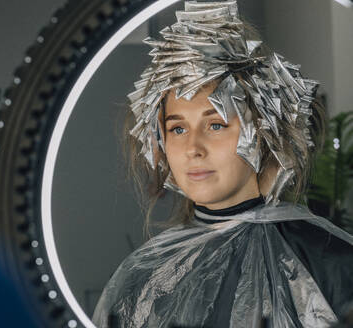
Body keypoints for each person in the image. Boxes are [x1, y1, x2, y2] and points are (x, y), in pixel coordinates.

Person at [92, 1, 353, 327]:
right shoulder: (139, 279)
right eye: (177, 128)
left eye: (215, 124)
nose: (193, 148)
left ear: (262, 132)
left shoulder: (333, 263)